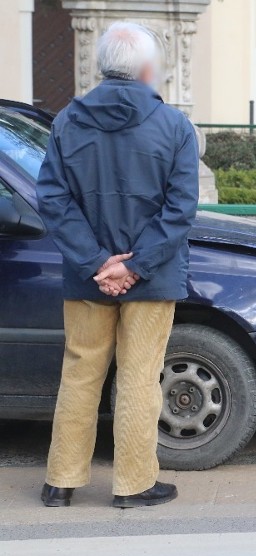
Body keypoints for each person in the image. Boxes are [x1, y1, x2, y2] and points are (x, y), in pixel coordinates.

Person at [37, 22, 199, 507]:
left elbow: (52, 197)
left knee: (81, 371)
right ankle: (133, 484)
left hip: (87, 278)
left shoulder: (67, 120)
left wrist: (95, 261)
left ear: (102, 66)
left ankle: (61, 481)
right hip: (153, 277)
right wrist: (136, 265)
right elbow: (180, 208)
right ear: (149, 70)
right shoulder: (174, 126)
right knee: (139, 376)